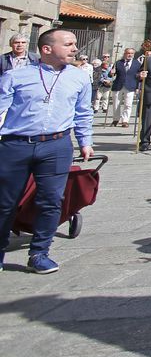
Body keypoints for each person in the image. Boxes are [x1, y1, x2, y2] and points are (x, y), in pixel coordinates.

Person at [0, 30, 93, 274]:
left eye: (74, 44)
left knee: (51, 200)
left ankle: (40, 252)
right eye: (68, 44)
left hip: (56, 145)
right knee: (5, 202)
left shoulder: (80, 78)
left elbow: (83, 112)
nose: (75, 49)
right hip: (15, 144)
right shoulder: (15, 76)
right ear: (46, 49)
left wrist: (85, 141)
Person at [108, 47, 141, 127]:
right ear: (125, 54)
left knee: (128, 104)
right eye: (128, 53)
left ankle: (125, 121)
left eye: (131, 53)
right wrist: (112, 73)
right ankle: (116, 119)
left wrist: (139, 78)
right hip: (118, 85)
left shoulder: (137, 63)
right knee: (116, 103)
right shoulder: (118, 62)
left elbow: (139, 75)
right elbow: (110, 74)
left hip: (130, 85)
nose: (129, 55)